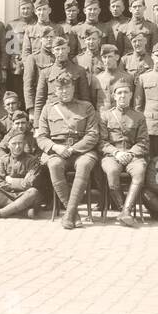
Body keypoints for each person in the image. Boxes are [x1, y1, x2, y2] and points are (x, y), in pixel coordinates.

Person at [34, 70, 101, 230]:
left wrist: (73, 149)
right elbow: (41, 137)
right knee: (54, 165)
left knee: (84, 165)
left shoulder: (86, 107)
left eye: (67, 88)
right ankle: (74, 215)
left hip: (82, 150)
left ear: (73, 88)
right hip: (57, 151)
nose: (64, 91)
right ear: (55, 91)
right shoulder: (48, 109)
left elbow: (93, 135)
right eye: (60, 89)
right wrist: (56, 147)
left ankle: (69, 214)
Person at [99, 81, 149, 228]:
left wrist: (131, 153)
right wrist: (116, 152)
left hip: (134, 156)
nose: (122, 96)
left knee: (139, 171)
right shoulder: (105, 116)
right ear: (114, 96)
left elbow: (143, 142)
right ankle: (123, 210)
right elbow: (101, 142)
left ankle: (125, 212)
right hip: (112, 156)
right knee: (112, 171)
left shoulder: (139, 116)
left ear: (131, 95)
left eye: (126, 92)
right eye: (119, 93)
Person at [0, 127, 44, 220]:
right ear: (8, 145)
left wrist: (10, 180)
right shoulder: (3, 160)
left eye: (20, 143)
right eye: (14, 144)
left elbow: (28, 184)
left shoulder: (33, 160)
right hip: (8, 194)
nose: (17, 147)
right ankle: (22, 211)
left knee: (33, 192)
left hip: (25, 195)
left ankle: (0, 213)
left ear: (24, 144)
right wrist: (14, 184)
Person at [35, 34, 93, 120]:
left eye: (63, 48)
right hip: (53, 115)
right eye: (57, 49)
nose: (61, 52)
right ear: (52, 51)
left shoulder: (79, 70)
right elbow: (40, 100)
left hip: (75, 114)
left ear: (68, 49)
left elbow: (85, 98)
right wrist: (37, 125)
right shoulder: (46, 72)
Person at [20, 0, 63, 107]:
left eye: (44, 9)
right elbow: (26, 53)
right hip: (36, 72)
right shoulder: (30, 30)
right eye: (39, 10)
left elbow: (63, 48)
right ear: (35, 11)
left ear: (49, 10)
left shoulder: (58, 28)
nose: (41, 12)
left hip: (54, 69)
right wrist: (30, 69)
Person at [4, 0, 36, 102]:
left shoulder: (37, 24)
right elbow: (8, 48)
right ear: (19, 9)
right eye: (23, 8)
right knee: (17, 93)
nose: (26, 11)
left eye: (28, 8)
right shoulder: (11, 25)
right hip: (17, 66)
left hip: (33, 63)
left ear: (33, 9)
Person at [92, 44, 135, 114]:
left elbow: (132, 101)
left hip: (122, 117)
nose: (107, 60)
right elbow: (93, 101)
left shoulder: (128, 77)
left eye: (110, 57)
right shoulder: (97, 79)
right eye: (104, 57)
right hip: (102, 119)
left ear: (117, 57)